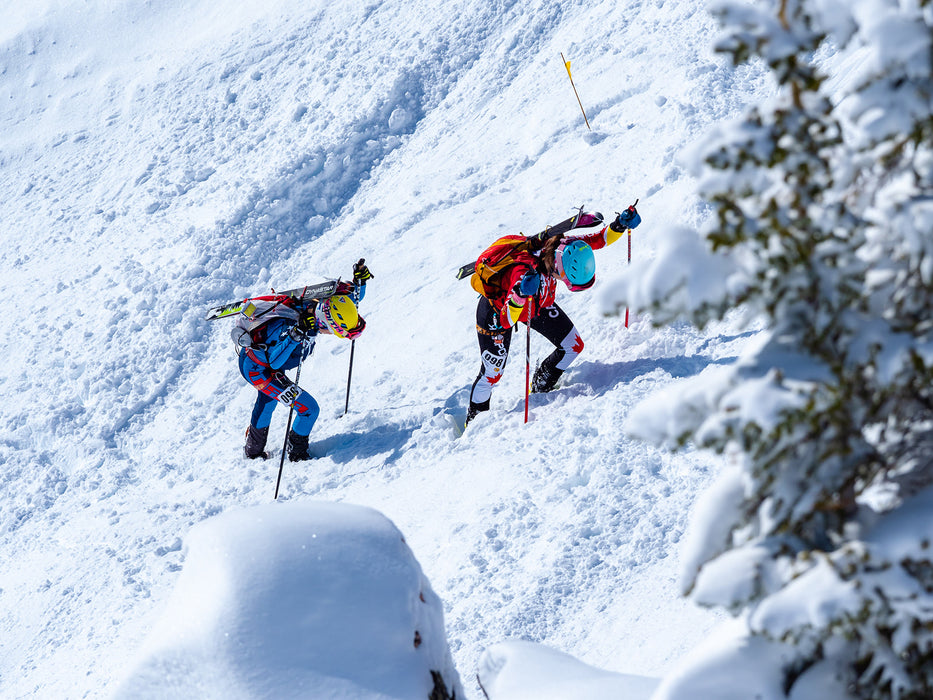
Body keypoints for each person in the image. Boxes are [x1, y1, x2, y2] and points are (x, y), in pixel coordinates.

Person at [466, 206, 641, 426]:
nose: (563, 280)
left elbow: (598, 239)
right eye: (565, 277)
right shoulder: (523, 273)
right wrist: (520, 295)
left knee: (573, 346)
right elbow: (505, 321)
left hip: (536, 305)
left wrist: (619, 225)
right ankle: (473, 426)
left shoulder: (562, 246)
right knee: (492, 374)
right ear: (557, 267)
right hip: (498, 312)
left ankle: (540, 389)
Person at [236, 260, 373, 460]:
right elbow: (274, 362)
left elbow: (351, 300)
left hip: (265, 363)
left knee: (267, 401)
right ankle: (297, 454)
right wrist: (296, 335)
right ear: (326, 321)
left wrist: (360, 282)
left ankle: (253, 450)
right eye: (335, 331)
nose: (332, 333)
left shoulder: (321, 306)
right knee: (308, 409)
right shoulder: (293, 326)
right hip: (257, 370)